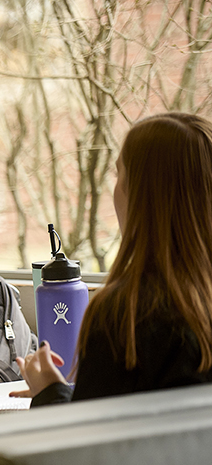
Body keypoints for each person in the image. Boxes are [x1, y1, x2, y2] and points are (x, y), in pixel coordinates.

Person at [13, 112, 212, 405]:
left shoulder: (127, 316)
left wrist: (49, 394)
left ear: (142, 197)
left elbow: (98, 444)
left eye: (120, 174)